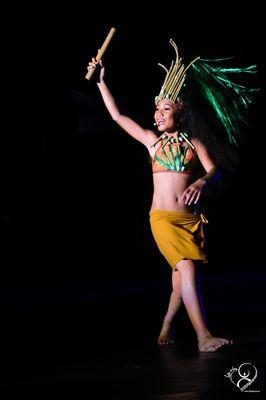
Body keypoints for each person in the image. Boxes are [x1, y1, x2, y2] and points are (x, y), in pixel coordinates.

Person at [86, 40, 258, 352]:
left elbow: (214, 170)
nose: (158, 113)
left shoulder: (194, 143)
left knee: (180, 279)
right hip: (162, 219)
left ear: (180, 110)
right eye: (157, 109)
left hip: (190, 221)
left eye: (166, 108)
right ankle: (203, 336)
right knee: (187, 269)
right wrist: (101, 82)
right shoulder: (152, 142)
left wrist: (202, 183)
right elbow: (117, 116)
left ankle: (167, 323)